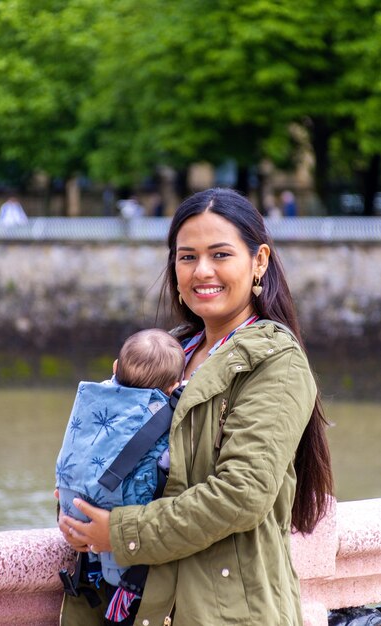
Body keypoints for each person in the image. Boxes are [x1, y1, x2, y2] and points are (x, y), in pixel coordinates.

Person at [57, 187, 333, 626]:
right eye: (187, 257)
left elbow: (241, 495)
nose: (202, 271)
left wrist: (119, 532)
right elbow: (104, 444)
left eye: (220, 254)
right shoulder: (169, 353)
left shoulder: (275, 361)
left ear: (259, 260)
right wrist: (77, 500)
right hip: (131, 606)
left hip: (224, 612)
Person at [56, 328, 185, 624]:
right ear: (174, 386)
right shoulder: (167, 411)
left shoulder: (91, 400)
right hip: (130, 541)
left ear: (115, 367)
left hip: (74, 514)